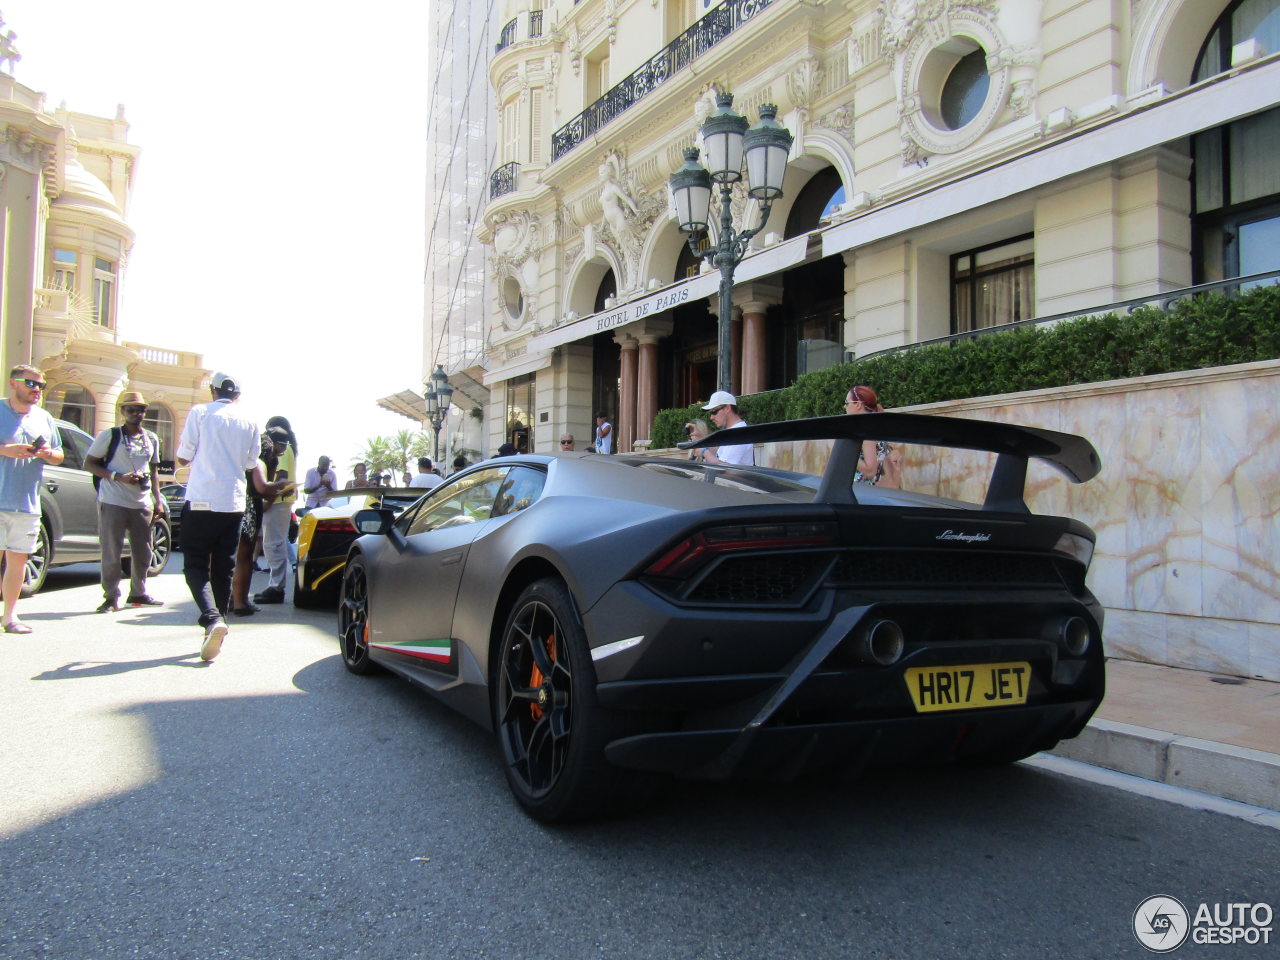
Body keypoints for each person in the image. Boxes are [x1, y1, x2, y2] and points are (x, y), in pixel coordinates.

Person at [176, 372, 275, 661]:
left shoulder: (200, 412)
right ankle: (219, 622)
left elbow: (184, 455)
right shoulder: (250, 421)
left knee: (195, 564)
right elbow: (249, 462)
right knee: (224, 567)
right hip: (234, 503)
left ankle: (211, 619)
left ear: (212, 390)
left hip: (202, 499)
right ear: (237, 395)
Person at [85, 391, 164, 612]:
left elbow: (154, 471)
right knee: (112, 550)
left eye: (140, 409)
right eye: (131, 409)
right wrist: (117, 477)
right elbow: (89, 463)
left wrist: (158, 500)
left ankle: (138, 592)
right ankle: (110, 597)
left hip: (141, 502)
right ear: (122, 412)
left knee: (144, 550)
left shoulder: (151, 438)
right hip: (113, 499)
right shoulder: (109, 436)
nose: (136, 413)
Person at [0, 365, 64, 633]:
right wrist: (6, 450)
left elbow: (60, 455)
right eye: (31, 383)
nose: (37, 389)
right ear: (14, 383)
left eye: (41, 385)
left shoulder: (44, 418)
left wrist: (47, 453)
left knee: (18, 561)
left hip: (27, 503)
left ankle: (10, 617)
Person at [253, 424, 297, 606]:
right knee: (273, 543)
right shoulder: (287, 450)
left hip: (277, 501)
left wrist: (269, 500)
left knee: (274, 544)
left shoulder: (283, 452)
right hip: (278, 500)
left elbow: (281, 476)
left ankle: (276, 587)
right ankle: (275, 586)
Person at [845, 384, 902, 489]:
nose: (845, 406)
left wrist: (845, 451)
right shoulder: (877, 426)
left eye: (847, 403)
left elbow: (870, 471)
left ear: (857, 404)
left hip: (865, 494)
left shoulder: (866, 430)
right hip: (878, 493)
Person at [701, 391, 753, 466]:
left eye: (714, 411)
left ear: (727, 408)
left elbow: (726, 468)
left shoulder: (738, 432)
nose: (711, 417)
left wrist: (704, 452)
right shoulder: (733, 431)